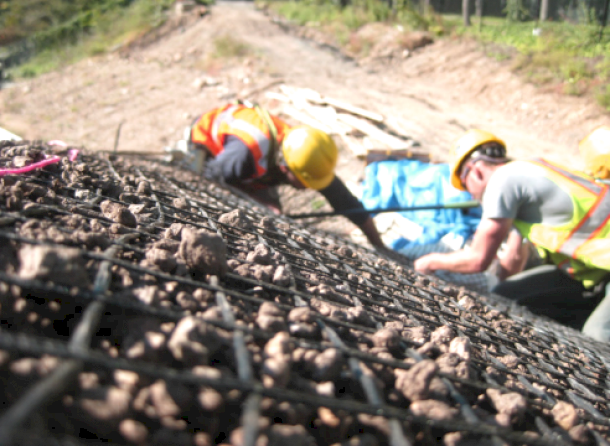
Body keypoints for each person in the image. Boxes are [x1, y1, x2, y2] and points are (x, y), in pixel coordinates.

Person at [413, 127, 610, 342]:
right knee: (507, 297)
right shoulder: (525, 176)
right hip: (592, 271)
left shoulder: (503, 181)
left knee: (598, 334)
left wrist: (429, 262)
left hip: (599, 269)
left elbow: (478, 259)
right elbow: (514, 257)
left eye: (466, 186)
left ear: (475, 171)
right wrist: (497, 284)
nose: (471, 194)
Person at [188, 102, 386, 249]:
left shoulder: (305, 153)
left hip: (249, 155)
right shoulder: (244, 157)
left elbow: (346, 202)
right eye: (306, 182)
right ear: (285, 169)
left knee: (270, 215)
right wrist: (259, 202)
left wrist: (380, 246)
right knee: (256, 212)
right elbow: (210, 178)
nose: (310, 187)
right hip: (207, 143)